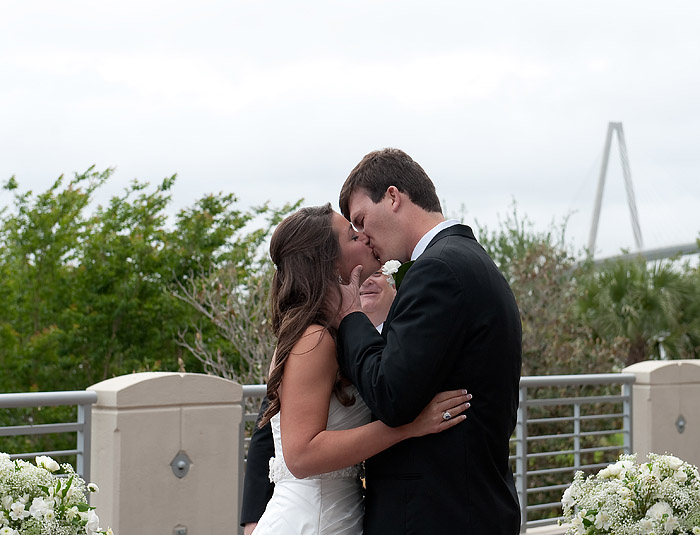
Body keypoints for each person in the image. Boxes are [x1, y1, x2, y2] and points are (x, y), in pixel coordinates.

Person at [249, 203, 471, 535]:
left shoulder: (334, 333)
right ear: (328, 261)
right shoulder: (314, 339)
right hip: (312, 522)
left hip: (342, 516)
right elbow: (301, 455)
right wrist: (408, 427)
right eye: (353, 236)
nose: (365, 238)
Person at [332, 148, 522, 534]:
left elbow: (391, 395)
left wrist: (351, 318)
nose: (362, 238)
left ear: (393, 196)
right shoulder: (472, 261)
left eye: (361, 220)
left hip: (437, 514)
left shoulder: (437, 270)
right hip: (471, 505)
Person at [240, 269, 396, 535]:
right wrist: (254, 517)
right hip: (308, 513)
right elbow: (269, 432)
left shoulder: (398, 343)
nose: (367, 280)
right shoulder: (313, 340)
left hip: (352, 511)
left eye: (379, 273)